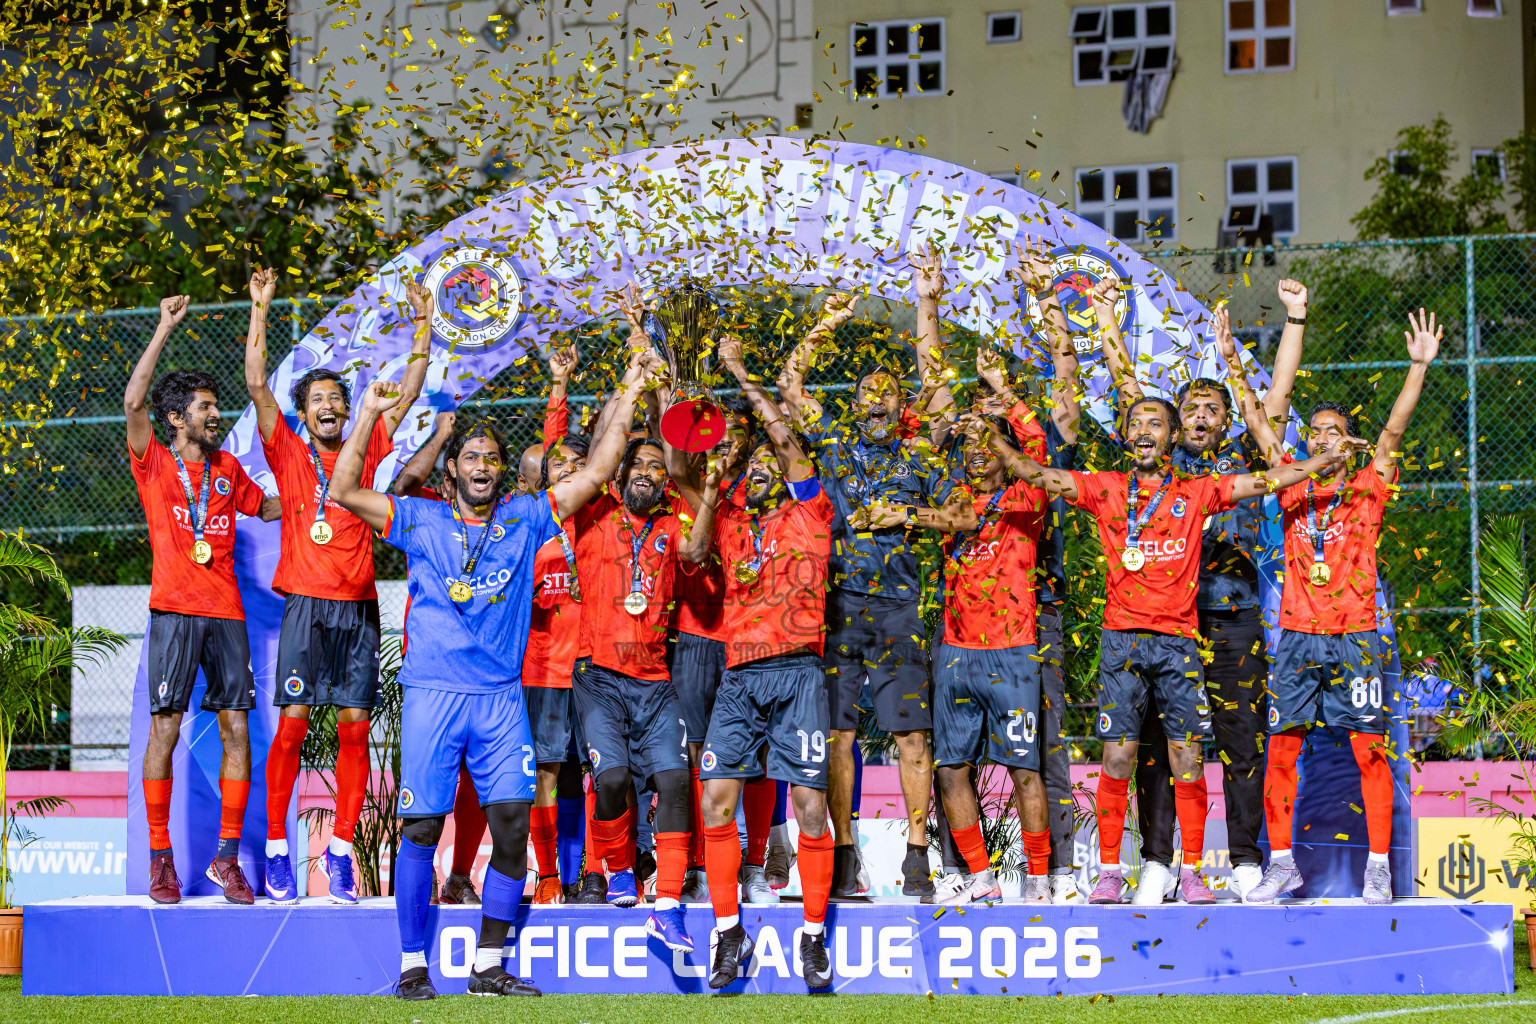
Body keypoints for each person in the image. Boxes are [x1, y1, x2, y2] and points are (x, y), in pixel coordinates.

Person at [329, 343, 658, 1000]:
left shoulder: (525, 517)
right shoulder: (419, 517)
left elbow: (598, 469)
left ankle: (487, 966)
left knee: (511, 825)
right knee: (423, 828)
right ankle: (411, 966)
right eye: (471, 457)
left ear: (503, 472)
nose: (482, 466)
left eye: (492, 459)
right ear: (451, 469)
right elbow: (341, 491)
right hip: (432, 695)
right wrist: (366, 414)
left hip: (501, 700)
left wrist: (631, 381)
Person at [1009, 379, 1346, 906]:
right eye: (1136, 423)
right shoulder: (1106, 487)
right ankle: (1111, 872)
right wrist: (995, 441)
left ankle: (1192, 871)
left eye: (1155, 423)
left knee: (1188, 756)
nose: (1144, 430)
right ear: (1125, 435)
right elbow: (1039, 474)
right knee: (1119, 758)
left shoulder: (1196, 491)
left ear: (1170, 437)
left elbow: (1265, 480)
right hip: (1122, 643)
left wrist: (1320, 463)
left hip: (1179, 643)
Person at [1097, 279, 1310, 904]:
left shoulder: (1245, 455)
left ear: (1226, 420)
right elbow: (1130, 392)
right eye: (1188, 407)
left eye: (1211, 408)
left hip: (1233, 618)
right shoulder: (1158, 461)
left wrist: (1293, 320)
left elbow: (1276, 397)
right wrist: (1107, 320)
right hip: (1167, 624)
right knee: (1158, 748)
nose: (1197, 416)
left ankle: (1245, 860)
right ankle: (1158, 861)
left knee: (1241, 742)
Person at [1226, 309, 1441, 906]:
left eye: (1332, 431)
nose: (1321, 437)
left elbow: (1393, 432)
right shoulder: (1293, 483)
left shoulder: (1368, 488)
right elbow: (1259, 418)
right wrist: (1230, 359)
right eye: (1314, 431)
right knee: (1282, 750)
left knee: (1370, 751)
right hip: (1296, 637)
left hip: (1356, 637)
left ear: (1350, 441)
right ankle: (1282, 865)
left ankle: (1378, 868)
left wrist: (1418, 367)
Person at [246, 268, 433, 904]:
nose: (328, 406)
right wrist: (260, 309)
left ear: (348, 411)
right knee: (293, 727)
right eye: (317, 400)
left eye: (337, 399)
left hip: (357, 608)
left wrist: (423, 324)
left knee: (355, 729)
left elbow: (409, 390)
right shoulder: (286, 452)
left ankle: (342, 853)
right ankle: (278, 851)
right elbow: (255, 383)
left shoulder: (367, 443)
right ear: (302, 414)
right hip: (305, 608)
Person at [778, 250, 953, 899]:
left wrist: (910, 514)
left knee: (913, 735)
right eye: (866, 395)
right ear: (854, 404)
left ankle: (917, 854)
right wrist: (826, 322)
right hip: (839, 607)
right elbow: (790, 385)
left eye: (888, 394)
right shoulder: (835, 444)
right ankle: (845, 852)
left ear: (902, 404)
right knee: (838, 734)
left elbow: (961, 515)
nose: (876, 402)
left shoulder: (921, 453)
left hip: (900, 610)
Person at [682, 335, 837, 991]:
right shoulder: (730, 520)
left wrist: (742, 374)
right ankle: (727, 932)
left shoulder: (812, 512)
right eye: (757, 465)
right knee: (716, 800)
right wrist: (712, 491)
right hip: (740, 675)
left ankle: (812, 937)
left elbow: (786, 441)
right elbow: (692, 556)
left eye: (775, 460)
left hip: (799, 672)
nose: (768, 466)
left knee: (809, 808)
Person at [854, 410, 1055, 906]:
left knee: (1024, 771)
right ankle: (981, 876)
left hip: (1013, 652)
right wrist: (924, 408)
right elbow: (913, 444)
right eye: (969, 445)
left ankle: (1038, 880)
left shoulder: (1025, 497)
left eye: (988, 445)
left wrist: (1006, 410)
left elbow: (1036, 450)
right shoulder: (952, 498)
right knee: (950, 770)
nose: (977, 452)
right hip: (956, 653)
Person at [124, 293, 281, 905]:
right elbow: (133, 401)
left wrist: (319, 495)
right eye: (205, 408)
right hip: (173, 614)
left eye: (216, 406)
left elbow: (266, 508)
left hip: (227, 618)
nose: (216, 415)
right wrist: (163, 327)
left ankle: (226, 858)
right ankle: (160, 858)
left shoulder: (228, 470)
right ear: (176, 418)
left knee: (238, 731)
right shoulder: (154, 464)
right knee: (164, 729)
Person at [564, 291, 696, 947]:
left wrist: (660, 364)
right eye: (634, 466)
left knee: (674, 781)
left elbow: (681, 449)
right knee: (612, 779)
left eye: (654, 467)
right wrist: (633, 365)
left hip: (655, 681)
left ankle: (666, 903)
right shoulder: (592, 513)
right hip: (598, 677)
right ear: (619, 477)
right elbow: (603, 446)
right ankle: (618, 865)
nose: (644, 472)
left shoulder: (674, 525)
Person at [666, 392, 780, 905]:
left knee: (757, 753)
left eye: (738, 431)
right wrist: (672, 403)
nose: (728, 439)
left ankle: (754, 866)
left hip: (751, 639)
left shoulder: (762, 487)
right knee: (696, 752)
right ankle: (697, 866)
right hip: (694, 636)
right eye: (719, 430)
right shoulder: (694, 482)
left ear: (751, 441)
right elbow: (674, 464)